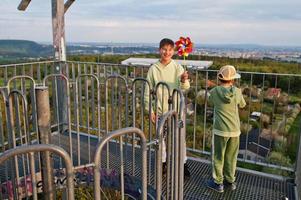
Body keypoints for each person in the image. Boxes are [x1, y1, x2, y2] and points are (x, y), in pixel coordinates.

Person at [144, 38, 191, 177]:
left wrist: (183, 80)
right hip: (159, 111)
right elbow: (148, 90)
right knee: (161, 140)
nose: (167, 52)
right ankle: (163, 163)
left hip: (175, 111)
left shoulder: (178, 67)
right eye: (164, 49)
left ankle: (183, 163)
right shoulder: (153, 69)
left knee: (179, 139)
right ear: (159, 50)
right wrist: (150, 110)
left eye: (170, 50)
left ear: (174, 51)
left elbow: (185, 88)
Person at [207, 65, 246, 193]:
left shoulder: (214, 92)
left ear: (220, 79)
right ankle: (230, 181)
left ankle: (218, 183)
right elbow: (242, 104)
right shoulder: (237, 91)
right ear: (233, 80)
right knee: (231, 157)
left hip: (220, 130)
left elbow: (210, 100)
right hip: (234, 130)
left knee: (218, 157)